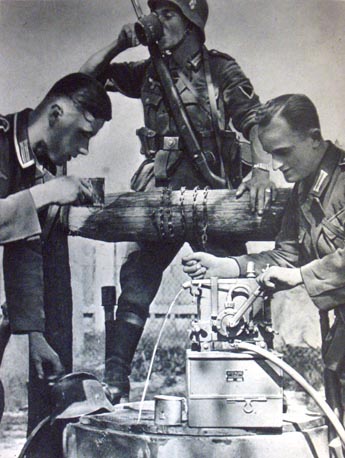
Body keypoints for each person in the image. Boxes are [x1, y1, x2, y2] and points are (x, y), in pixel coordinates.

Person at [80, 0, 274, 402]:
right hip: (161, 195)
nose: (157, 21)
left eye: (168, 14)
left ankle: (261, 379)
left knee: (237, 287)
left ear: (191, 23)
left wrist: (261, 171)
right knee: (135, 285)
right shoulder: (150, 71)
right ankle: (114, 380)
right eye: (157, 13)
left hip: (213, 198)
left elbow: (255, 120)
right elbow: (82, 82)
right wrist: (119, 43)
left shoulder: (220, 70)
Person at [183, 93, 345, 428]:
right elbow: (285, 254)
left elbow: (300, 268)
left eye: (283, 152)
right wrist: (226, 266)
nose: (276, 165)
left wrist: (301, 276)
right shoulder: (303, 190)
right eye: (270, 154)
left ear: (314, 139)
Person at [0, 72, 112, 439]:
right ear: (56, 114)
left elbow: (23, 248)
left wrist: (34, 336)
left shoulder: (36, 167)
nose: (84, 149)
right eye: (83, 134)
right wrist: (46, 195)